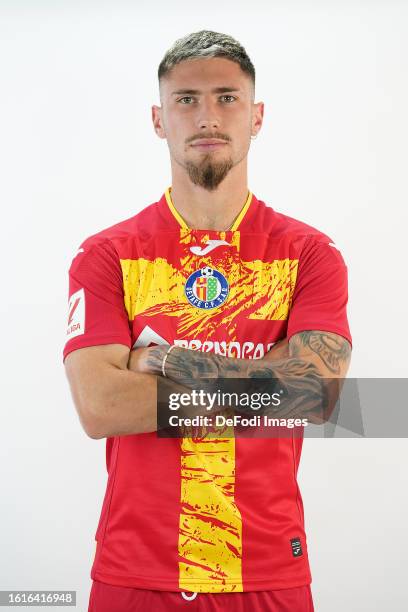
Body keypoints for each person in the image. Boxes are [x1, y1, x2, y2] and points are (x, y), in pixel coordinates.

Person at [63, 30, 352, 612]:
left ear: (257, 115)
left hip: (268, 567)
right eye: (186, 100)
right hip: (136, 570)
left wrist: (162, 360)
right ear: (158, 118)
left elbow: (314, 396)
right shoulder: (108, 255)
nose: (207, 116)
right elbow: (100, 408)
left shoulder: (309, 253)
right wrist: (267, 384)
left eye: (227, 97)